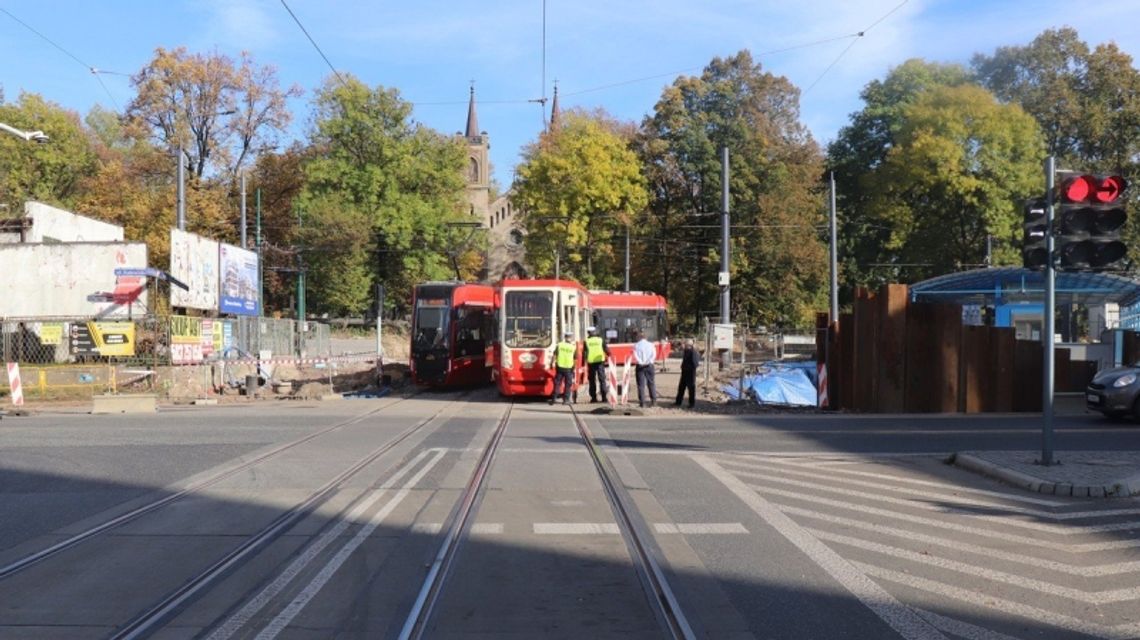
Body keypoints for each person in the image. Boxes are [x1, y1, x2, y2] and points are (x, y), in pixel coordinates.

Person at [550, 330, 577, 405]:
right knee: (568, 384)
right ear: (570, 338)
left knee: (557, 383)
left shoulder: (559, 345)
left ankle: (554, 398)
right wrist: (574, 367)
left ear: (565, 337)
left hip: (560, 367)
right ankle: (566, 400)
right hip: (569, 368)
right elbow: (575, 359)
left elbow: (554, 355)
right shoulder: (573, 347)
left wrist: (552, 363)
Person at [584, 326, 610, 403]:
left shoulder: (586, 341)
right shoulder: (600, 340)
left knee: (592, 380)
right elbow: (606, 350)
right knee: (602, 380)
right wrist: (610, 356)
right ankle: (604, 397)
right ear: (595, 332)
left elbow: (584, 353)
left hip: (591, 363)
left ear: (589, 333)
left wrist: (585, 361)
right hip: (600, 363)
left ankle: (593, 398)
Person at [633, 330, 658, 408]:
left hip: (640, 366)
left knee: (641, 385)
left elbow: (635, 355)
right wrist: (649, 361)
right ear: (646, 338)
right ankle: (653, 401)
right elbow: (653, 355)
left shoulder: (636, 345)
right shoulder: (651, 345)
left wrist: (640, 362)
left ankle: (642, 402)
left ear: (639, 338)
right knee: (651, 383)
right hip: (649, 366)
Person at [674, 338, 700, 408]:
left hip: (690, 373)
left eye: (685, 344)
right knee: (681, 388)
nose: (683, 345)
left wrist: (689, 367)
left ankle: (692, 404)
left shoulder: (693, 352)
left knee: (691, 388)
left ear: (688, 345)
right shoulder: (686, 351)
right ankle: (678, 402)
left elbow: (695, 364)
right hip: (684, 372)